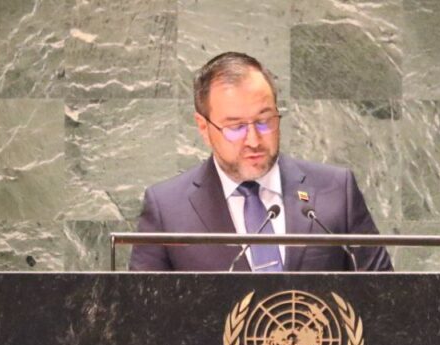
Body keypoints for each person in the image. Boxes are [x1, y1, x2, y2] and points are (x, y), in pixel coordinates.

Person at [129, 52, 392, 272]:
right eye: (235, 127)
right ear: (203, 127)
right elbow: (142, 310)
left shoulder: (336, 190)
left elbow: (384, 296)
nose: (253, 140)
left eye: (264, 121)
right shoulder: (167, 209)